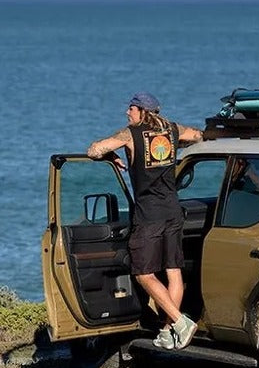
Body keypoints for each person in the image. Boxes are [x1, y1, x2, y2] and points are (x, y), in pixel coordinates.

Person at [87, 92, 203, 350]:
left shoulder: (131, 134)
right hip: (173, 210)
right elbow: (197, 135)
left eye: (130, 108)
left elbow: (94, 150)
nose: (128, 113)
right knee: (173, 272)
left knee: (143, 273)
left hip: (148, 214)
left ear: (141, 110)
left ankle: (180, 321)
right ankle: (167, 331)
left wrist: (111, 156)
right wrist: (177, 146)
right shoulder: (172, 130)